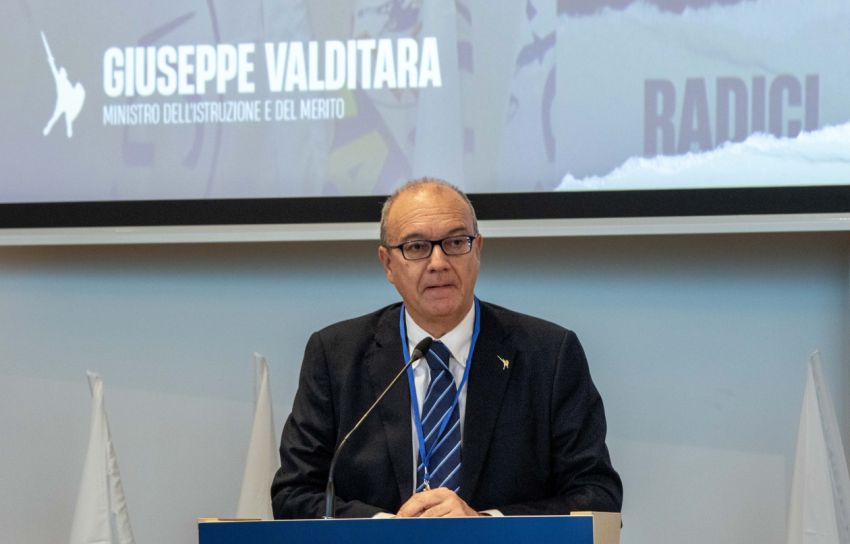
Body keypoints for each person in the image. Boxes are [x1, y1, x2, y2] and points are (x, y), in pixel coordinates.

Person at [271, 178, 622, 518]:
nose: (438, 262)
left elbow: (597, 494)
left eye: (455, 242)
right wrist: (386, 530)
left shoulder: (549, 355)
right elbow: (293, 494)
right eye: (416, 247)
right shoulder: (336, 356)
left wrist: (484, 523)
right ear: (388, 264)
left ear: (477, 250)